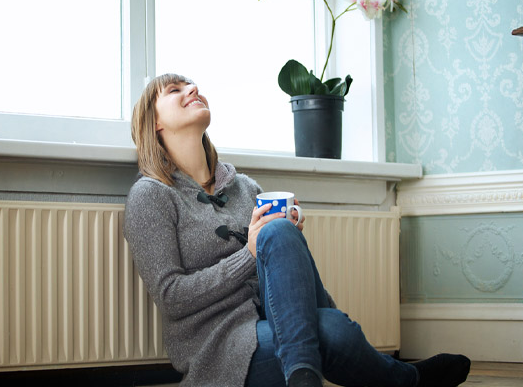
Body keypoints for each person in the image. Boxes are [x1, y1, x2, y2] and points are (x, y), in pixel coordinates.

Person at [123, 73, 471, 387]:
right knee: (333, 331)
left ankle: (305, 378)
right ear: (153, 122)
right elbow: (171, 296)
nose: (193, 89)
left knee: (280, 236)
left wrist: (287, 238)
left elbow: (278, 273)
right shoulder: (151, 195)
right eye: (175, 90)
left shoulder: (245, 188)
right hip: (222, 348)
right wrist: (249, 254)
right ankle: (409, 379)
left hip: (283, 322)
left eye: (192, 85)